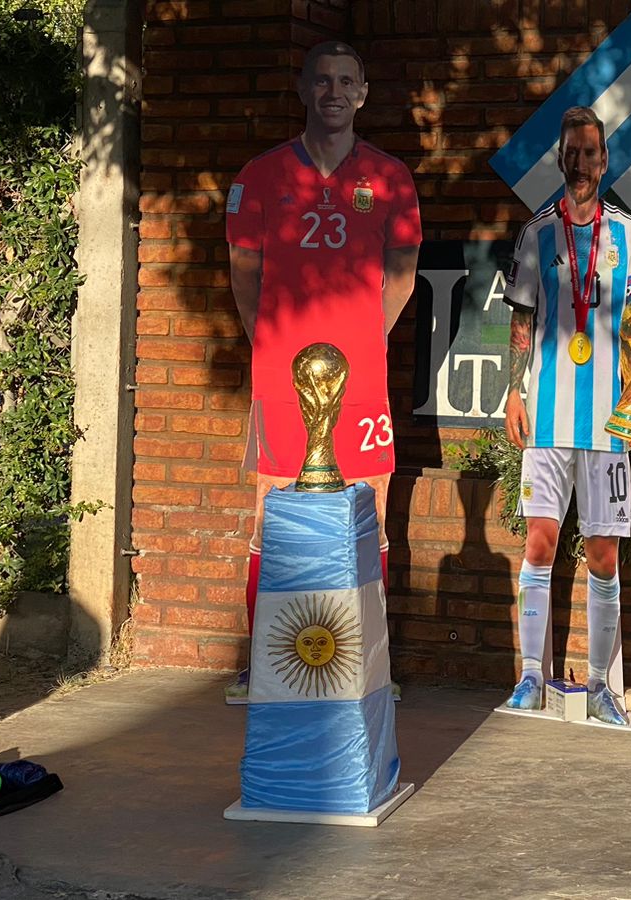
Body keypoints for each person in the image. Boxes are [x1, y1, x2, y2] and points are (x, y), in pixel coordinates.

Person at [223, 40, 422, 701]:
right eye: (323, 81)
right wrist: (272, 346)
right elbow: (243, 275)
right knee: (269, 516)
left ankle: (367, 670)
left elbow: (401, 277)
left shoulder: (391, 178)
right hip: (282, 380)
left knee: (373, 516)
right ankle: (264, 667)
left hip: (360, 378)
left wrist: (361, 343)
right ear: (304, 90)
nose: (334, 92)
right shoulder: (259, 175)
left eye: (347, 81)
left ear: (362, 94)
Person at [499, 106, 631, 726]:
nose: (581, 163)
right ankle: (531, 678)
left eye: (591, 153)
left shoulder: (627, 234)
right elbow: (520, 319)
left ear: (604, 160)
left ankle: (599, 687)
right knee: (539, 545)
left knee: (604, 556)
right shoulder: (537, 232)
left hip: (607, 421)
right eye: (572, 152)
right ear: (560, 159)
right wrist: (514, 393)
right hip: (549, 418)